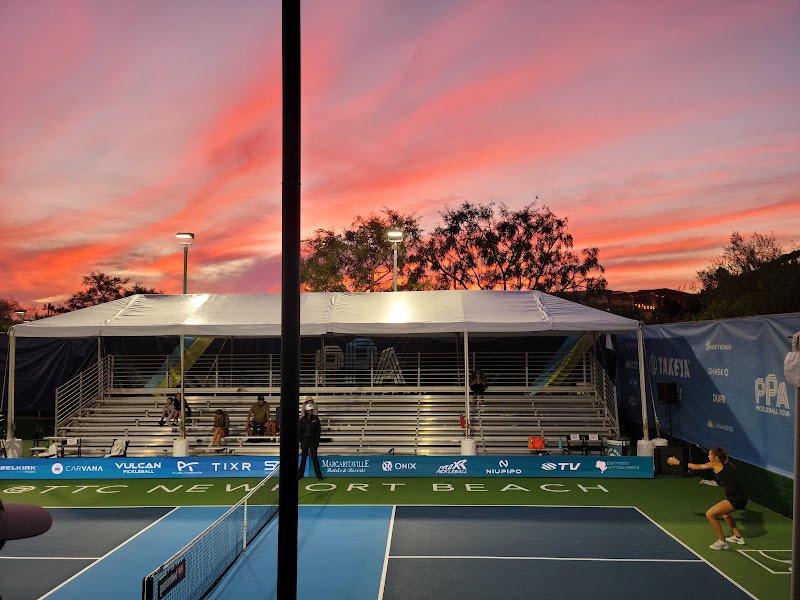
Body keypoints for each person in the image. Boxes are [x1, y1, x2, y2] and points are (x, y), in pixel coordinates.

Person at [667, 447, 747, 550]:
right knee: (724, 513)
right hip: (740, 496)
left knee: (710, 514)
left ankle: (722, 541)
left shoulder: (715, 464)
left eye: (710, 455)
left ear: (716, 458)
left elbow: (697, 467)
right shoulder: (728, 464)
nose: (708, 456)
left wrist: (678, 462)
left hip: (735, 498)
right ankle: (738, 537)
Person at [298, 401, 324, 481]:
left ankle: (319, 476)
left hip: (313, 441)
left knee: (315, 458)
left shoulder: (316, 419)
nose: (310, 411)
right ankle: (300, 475)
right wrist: (301, 441)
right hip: (305, 440)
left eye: (311, 410)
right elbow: (300, 431)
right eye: (309, 410)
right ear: (306, 411)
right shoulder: (302, 420)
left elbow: (318, 431)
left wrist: (316, 442)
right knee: (303, 458)